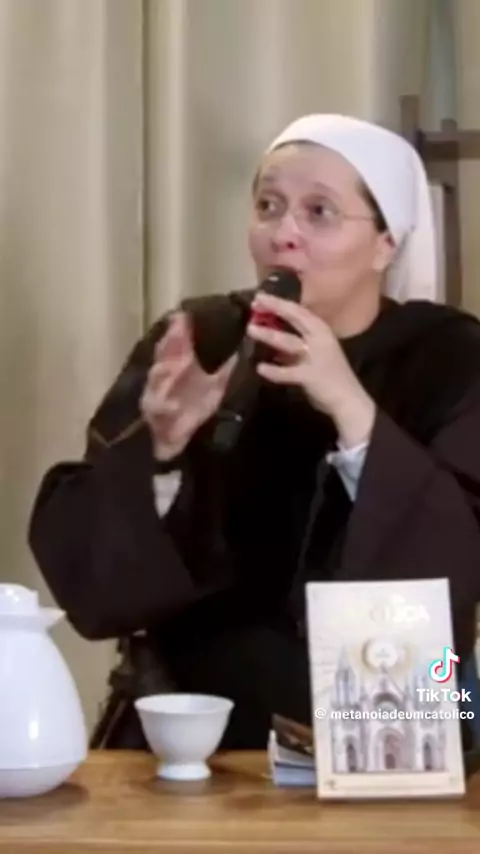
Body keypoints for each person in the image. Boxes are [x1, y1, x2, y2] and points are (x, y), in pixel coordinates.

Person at [28, 114, 480, 753]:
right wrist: (160, 450)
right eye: (269, 206)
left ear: (386, 243)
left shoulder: (449, 357)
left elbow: (459, 554)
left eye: (319, 212)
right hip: (189, 733)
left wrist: (353, 411)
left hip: (385, 728)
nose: (284, 233)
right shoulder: (205, 337)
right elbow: (99, 587)